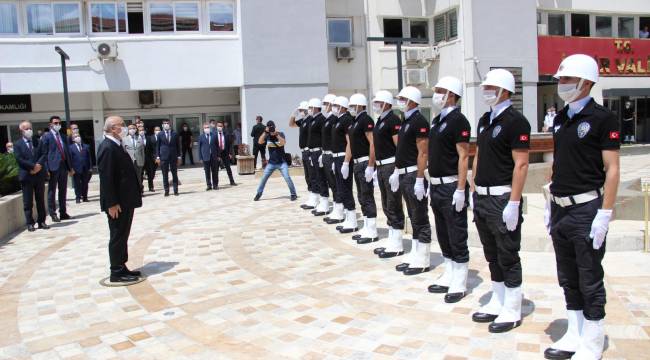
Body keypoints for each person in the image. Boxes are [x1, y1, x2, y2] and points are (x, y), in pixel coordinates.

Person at [542, 54, 620, 360]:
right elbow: (559, 160)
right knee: (567, 275)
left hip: (586, 209)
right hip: (561, 209)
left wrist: (605, 213)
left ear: (586, 83)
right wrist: (551, 197)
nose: (561, 84)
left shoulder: (603, 119)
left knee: (589, 276)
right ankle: (574, 332)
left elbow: (612, 169)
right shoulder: (561, 118)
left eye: (567, 80)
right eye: (560, 79)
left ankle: (593, 339)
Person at [470, 68, 530, 333]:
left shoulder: (516, 121)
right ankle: (498, 298)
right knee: (491, 254)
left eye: (491, 88)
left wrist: (514, 203)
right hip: (482, 197)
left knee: (507, 254)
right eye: (485, 88)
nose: (486, 92)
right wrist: (473, 187)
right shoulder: (485, 119)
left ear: (505, 90)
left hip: (502, 198)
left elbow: (522, 164)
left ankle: (513, 308)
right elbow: (479, 154)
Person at [425, 77, 471, 303]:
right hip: (436, 186)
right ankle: (449, 271)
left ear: (451, 94)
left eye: (440, 90)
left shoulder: (458, 121)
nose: (436, 94)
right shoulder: (437, 120)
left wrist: (461, 189)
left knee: (456, 232)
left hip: (452, 184)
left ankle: (460, 280)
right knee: (442, 232)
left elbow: (463, 157)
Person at [97, 116, 143, 283]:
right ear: (113, 128)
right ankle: (116, 271)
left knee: (123, 234)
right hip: (117, 204)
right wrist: (112, 203)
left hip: (125, 200)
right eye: (122, 125)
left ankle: (121, 266)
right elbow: (106, 178)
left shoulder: (116, 145)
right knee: (117, 234)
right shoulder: (107, 147)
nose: (125, 128)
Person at [392, 86, 431, 276]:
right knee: (412, 215)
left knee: (420, 217)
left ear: (413, 101)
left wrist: (419, 178)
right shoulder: (406, 120)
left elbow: (423, 152)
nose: (399, 101)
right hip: (404, 174)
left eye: (402, 98)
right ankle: (416, 252)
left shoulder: (419, 121)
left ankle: (423, 258)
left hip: (414, 174)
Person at [370, 90, 405, 256]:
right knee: (385, 203)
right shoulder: (380, 120)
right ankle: (392, 239)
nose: (376, 105)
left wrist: (397, 170)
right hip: (381, 166)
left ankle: (397, 243)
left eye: (378, 102)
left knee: (393, 204)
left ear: (386, 103)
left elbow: (399, 147)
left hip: (391, 165)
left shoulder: (393, 120)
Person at [344, 93, 378, 243]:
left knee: (367, 195)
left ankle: (372, 230)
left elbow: (372, 143)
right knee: (361, 196)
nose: (350, 108)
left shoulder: (366, 120)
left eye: (352, 105)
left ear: (359, 105)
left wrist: (371, 165)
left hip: (365, 162)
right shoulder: (355, 121)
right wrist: (346, 162)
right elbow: (350, 144)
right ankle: (366, 225)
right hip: (357, 163)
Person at [13, 121, 48, 232]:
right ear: (21, 131)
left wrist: (38, 166)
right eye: (26, 128)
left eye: (30, 128)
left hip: (39, 175)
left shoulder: (38, 141)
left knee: (40, 200)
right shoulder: (18, 144)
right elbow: (19, 159)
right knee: (28, 201)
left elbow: (44, 154)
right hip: (27, 175)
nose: (29, 130)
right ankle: (30, 223)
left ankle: (41, 221)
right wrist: (32, 167)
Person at [331, 97, 357, 232]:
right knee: (341, 188)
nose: (333, 107)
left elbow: (349, 142)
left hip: (343, 157)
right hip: (337, 158)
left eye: (335, 105)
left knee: (346, 189)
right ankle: (348, 218)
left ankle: (352, 221)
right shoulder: (339, 119)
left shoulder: (346, 119)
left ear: (342, 106)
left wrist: (346, 162)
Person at [40, 115, 74, 222]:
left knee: (63, 190)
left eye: (59, 123)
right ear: (50, 125)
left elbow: (67, 153)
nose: (58, 125)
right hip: (52, 167)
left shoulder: (63, 137)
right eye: (55, 123)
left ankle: (63, 212)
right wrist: (46, 169)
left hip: (63, 166)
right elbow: (44, 154)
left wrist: (70, 167)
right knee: (52, 191)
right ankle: (53, 213)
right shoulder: (46, 137)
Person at [254, 121, 298, 201]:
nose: (271, 128)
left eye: (272, 127)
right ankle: (259, 193)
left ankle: (293, 194)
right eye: (269, 127)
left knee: (287, 178)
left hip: (282, 162)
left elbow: (283, 142)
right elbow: (259, 142)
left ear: (275, 126)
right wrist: (265, 132)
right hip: (271, 163)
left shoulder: (280, 133)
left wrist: (276, 134)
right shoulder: (267, 135)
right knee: (263, 178)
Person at [306, 97, 330, 216]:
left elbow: (324, 137)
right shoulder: (313, 119)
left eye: (310, 107)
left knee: (321, 177)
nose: (309, 110)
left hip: (319, 152)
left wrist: (322, 152)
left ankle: (325, 202)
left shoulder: (321, 120)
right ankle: (320, 200)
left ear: (316, 107)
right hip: (312, 152)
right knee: (314, 176)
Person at [289, 101, 314, 209]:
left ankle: (315, 198)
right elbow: (291, 124)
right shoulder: (303, 121)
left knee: (312, 175)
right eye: (300, 111)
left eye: (302, 110)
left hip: (309, 150)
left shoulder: (310, 120)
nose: (301, 112)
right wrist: (293, 115)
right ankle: (312, 197)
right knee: (307, 176)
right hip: (304, 151)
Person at [319, 94, 338, 219]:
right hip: (325, 154)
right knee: (330, 183)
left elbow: (335, 140)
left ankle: (339, 209)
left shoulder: (333, 120)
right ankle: (337, 209)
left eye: (326, 104)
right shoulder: (328, 119)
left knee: (335, 184)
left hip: (332, 155)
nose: (324, 106)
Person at [156, 119, 181, 196]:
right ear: (162, 125)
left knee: (174, 174)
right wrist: (157, 157)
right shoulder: (160, 134)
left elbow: (178, 146)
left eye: (167, 123)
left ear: (170, 125)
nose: (166, 124)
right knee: (165, 174)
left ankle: (175, 190)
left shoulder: (175, 133)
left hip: (173, 156)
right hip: (164, 156)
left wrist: (179, 157)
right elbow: (158, 146)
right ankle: (166, 191)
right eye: (164, 123)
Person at [69, 134, 92, 203]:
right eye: (75, 137)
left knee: (85, 183)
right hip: (76, 168)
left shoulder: (86, 146)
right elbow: (70, 159)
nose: (78, 137)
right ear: (73, 139)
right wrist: (71, 168)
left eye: (78, 136)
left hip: (85, 168)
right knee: (77, 184)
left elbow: (89, 158)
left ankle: (85, 197)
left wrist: (90, 167)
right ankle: (78, 197)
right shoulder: (71, 148)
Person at [215, 121, 237, 186]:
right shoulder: (214, 134)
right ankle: (216, 184)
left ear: (223, 127)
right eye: (218, 126)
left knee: (228, 168)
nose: (220, 127)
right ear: (216, 127)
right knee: (216, 169)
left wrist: (230, 153)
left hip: (225, 152)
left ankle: (232, 181)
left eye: (221, 126)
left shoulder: (226, 134)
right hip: (217, 153)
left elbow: (229, 145)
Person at [124, 124, 145, 192]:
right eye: (130, 128)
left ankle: (140, 190)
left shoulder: (139, 139)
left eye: (133, 128)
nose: (132, 130)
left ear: (136, 130)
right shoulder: (124, 140)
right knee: (130, 177)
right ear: (128, 130)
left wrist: (143, 161)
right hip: (129, 162)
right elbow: (123, 152)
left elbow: (142, 152)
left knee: (138, 177)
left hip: (138, 161)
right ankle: (132, 191)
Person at [198, 122, 219, 191]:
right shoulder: (201, 137)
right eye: (205, 128)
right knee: (207, 172)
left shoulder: (214, 135)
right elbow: (199, 148)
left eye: (208, 127)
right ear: (203, 129)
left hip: (213, 156)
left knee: (215, 171)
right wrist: (200, 157)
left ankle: (215, 185)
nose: (207, 129)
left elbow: (217, 146)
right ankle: (209, 185)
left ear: (210, 128)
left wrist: (218, 155)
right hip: (205, 157)